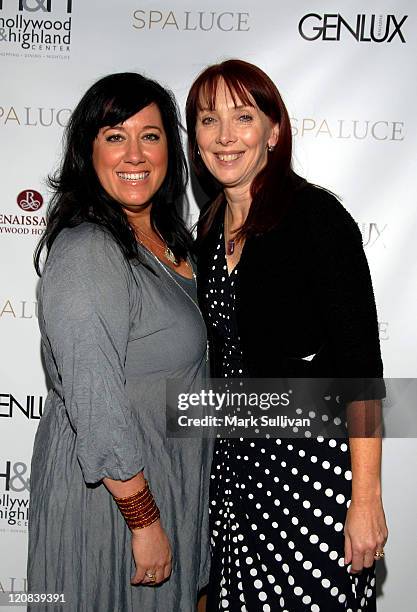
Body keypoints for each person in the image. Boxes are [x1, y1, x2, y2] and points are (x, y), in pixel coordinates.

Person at [186, 59, 388, 611]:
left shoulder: (316, 219)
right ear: (195, 138)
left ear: (273, 132)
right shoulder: (205, 232)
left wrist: (365, 497)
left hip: (310, 475)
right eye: (208, 120)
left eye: (243, 116)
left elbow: (362, 374)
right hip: (235, 478)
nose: (225, 136)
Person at [28, 72, 212, 612]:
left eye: (150, 136)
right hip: (114, 499)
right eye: (114, 135)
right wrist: (143, 518)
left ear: (170, 151)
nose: (134, 153)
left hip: (167, 478)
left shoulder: (175, 241)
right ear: (90, 151)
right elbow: (93, 393)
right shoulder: (89, 247)